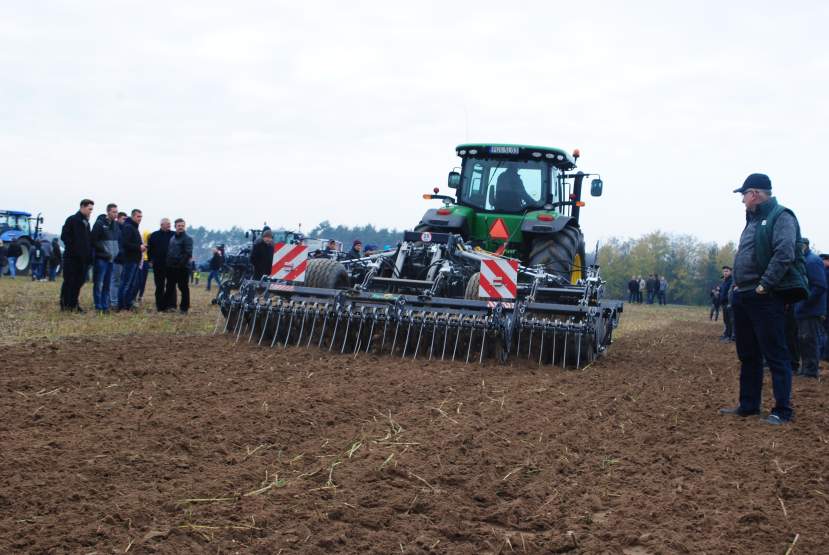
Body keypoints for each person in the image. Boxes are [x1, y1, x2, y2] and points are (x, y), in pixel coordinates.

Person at [720, 174, 808, 425]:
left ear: (755, 194)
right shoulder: (753, 220)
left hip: (764, 297)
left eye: (744, 195)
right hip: (743, 295)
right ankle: (749, 405)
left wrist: (764, 285)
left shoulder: (781, 217)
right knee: (748, 355)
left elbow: (784, 253)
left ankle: (782, 410)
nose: (743, 201)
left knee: (776, 354)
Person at [794, 239, 827, 377]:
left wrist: (804, 302)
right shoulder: (804, 261)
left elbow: (819, 286)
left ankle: (811, 370)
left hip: (811, 309)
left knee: (810, 339)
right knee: (803, 339)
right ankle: (806, 368)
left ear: (804, 246)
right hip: (804, 309)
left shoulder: (812, 261)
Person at [60, 199, 94, 312]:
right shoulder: (72, 220)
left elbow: (88, 241)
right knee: (69, 281)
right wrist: (75, 249)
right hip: (71, 258)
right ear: (82, 207)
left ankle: (74, 304)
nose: (91, 211)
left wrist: (88, 255)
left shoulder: (86, 223)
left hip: (82, 260)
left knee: (78, 283)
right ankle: (65, 305)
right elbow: (64, 236)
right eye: (89, 209)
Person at [90, 203, 120, 313]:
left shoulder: (116, 226)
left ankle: (105, 305)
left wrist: (116, 253)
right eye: (113, 212)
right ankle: (98, 306)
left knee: (107, 284)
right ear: (108, 212)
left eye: (116, 212)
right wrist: (104, 252)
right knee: (99, 283)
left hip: (111, 259)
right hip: (101, 259)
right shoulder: (99, 224)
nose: (115, 214)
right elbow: (94, 240)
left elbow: (118, 241)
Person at [117, 209, 145, 311]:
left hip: (135, 260)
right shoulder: (128, 227)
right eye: (138, 216)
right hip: (129, 259)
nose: (140, 219)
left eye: (141, 217)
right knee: (125, 283)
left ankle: (127, 304)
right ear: (133, 216)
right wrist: (139, 247)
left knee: (131, 284)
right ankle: (121, 306)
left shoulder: (134, 227)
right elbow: (125, 244)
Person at [166, 218, 193, 314]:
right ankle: (169, 306)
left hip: (182, 268)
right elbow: (170, 252)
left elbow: (188, 253)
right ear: (175, 227)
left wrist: (180, 265)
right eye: (179, 226)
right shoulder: (172, 238)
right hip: (171, 267)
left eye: (182, 226)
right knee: (170, 287)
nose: (181, 227)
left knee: (183, 288)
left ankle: (184, 308)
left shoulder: (188, 238)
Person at [147, 218, 175, 311]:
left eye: (170, 224)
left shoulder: (174, 235)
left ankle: (171, 305)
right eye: (167, 224)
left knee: (171, 285)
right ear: (161, 224)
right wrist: (151, 260)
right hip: (158, 265)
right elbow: (150, 250)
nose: (169, 225)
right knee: (160, 286)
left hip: (171, 265)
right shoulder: (154, 235)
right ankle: (160, 306)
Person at [110, 211, 127, 310]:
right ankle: (113, 302)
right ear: (118, 219)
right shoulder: (115, 229)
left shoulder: (124, 229)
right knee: (115, 280)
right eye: (123, 219)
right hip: (116, 258)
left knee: (120, 281)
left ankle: (118, 300)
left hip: (123, 259)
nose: (125, 221)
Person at [719, 266, 734, 341]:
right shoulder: (724, 281)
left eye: (727, 271)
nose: (725, 273)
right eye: (724, 271)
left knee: (730, 320)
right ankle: (726, 335)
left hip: (729, 303)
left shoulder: (731, 280)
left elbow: (730, 292)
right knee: (726, 320)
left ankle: (730, 336)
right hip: (723, 303)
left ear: (730, 272)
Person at [137, 228, 152, 303]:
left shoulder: (150, 245)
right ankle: (137, 295)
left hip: (146, 262)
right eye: (148, 236)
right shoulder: (140, 243)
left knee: (144, 280)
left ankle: (141, 295)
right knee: (139, 280)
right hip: (141, 262)